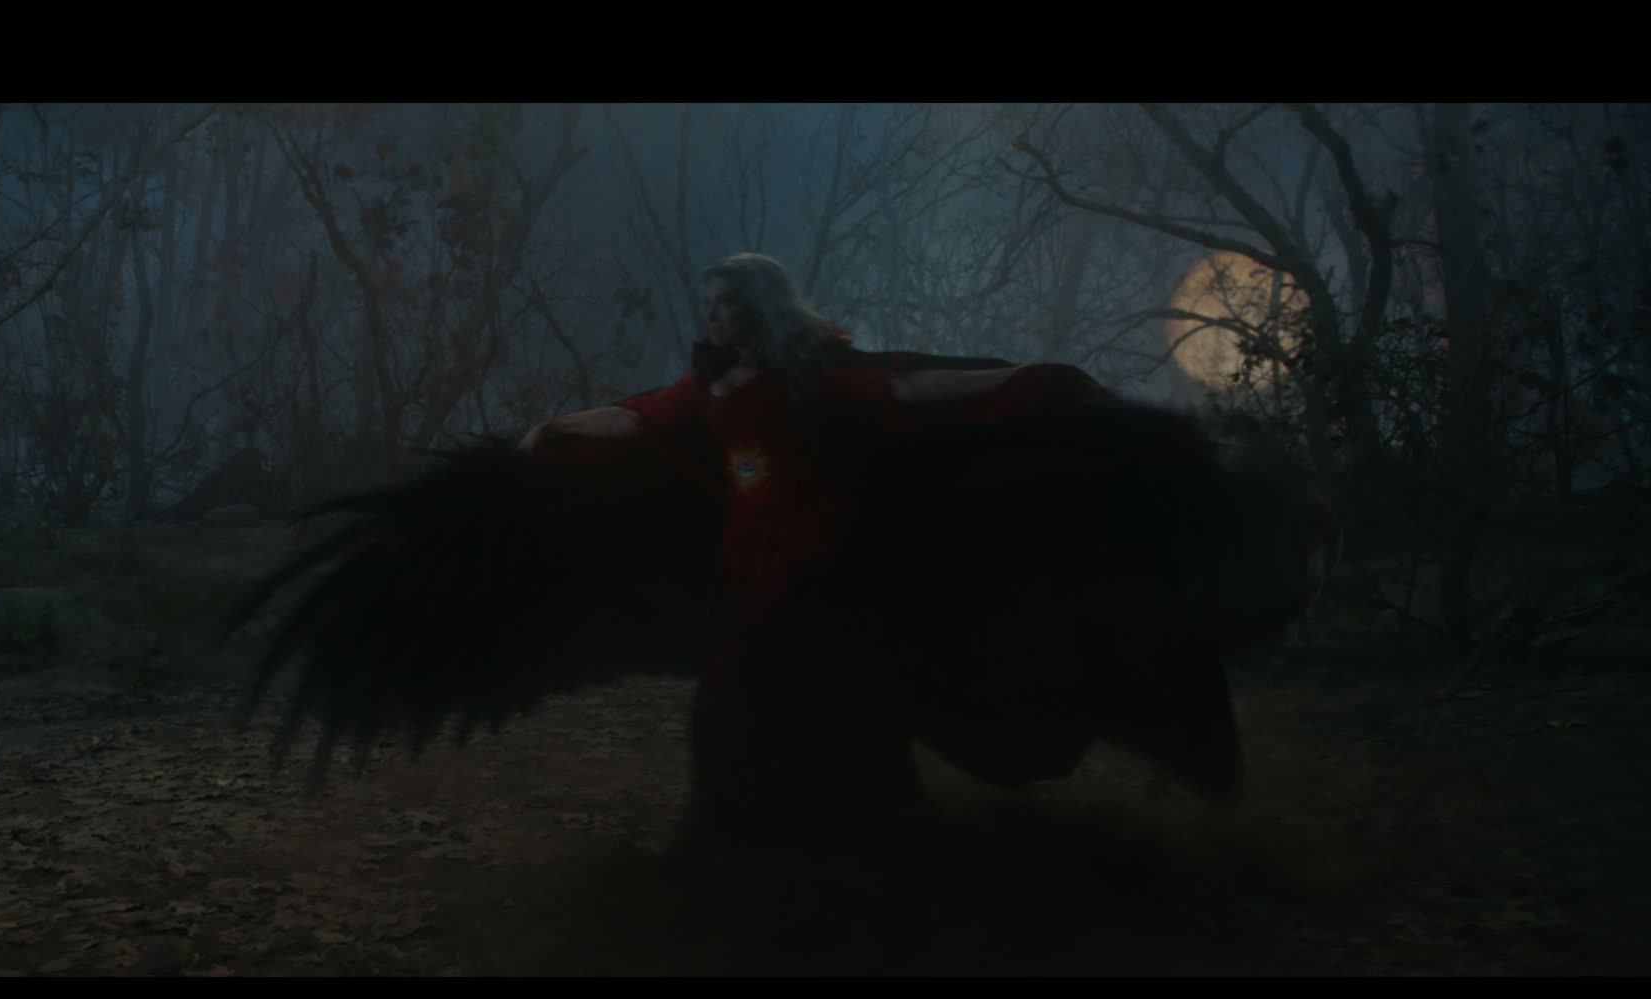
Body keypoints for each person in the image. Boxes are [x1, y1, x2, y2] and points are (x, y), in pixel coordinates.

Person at [234, 254, 1336, 858]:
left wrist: (1044, 389)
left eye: (729, 304)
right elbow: (644, 420)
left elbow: (920, 393)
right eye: (709, 304)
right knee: (759, 705)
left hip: (828, 561)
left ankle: (763, 869)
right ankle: (802, 857)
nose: (714, 316)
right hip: (763, 562)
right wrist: (546, 437)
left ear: (763, 312)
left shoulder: (824, 382)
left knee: (754, 700)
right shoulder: (713, 393)